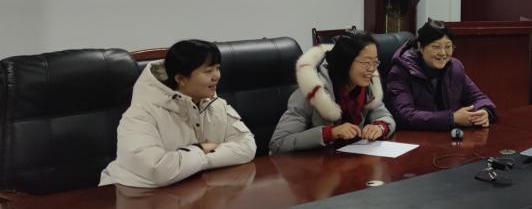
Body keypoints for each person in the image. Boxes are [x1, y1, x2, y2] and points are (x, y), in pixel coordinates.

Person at [99, 40, 256, 188]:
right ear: (181, 79)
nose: (217, 76)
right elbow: (157, 170)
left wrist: (197, 161)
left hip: (193, 188)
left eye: (217, 68)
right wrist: (202, 150)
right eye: (208, 71)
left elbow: (247, 147)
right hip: (131, 193)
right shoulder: (141, 113)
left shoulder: (216, 104)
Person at [270, 29, 395, 153]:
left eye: (375, 62)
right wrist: (330, 133)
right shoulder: (313, 90)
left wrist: (379, 127)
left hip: (345, 160)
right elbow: (279, 143)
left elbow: (385, 116)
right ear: (346, 61)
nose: (372, 69)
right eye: (367, 62)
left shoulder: (367, 86)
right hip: (311, 163)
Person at [386, 19, 497, 130]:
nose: (443, 53)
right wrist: (452, 118)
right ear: (421, 47)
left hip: (449, 135)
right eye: (436, 47)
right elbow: (404, 115)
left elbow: (479, 98)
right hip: (417, 137)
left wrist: (484, 112)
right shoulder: (401, 71)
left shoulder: (455, 67)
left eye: (448, 47)